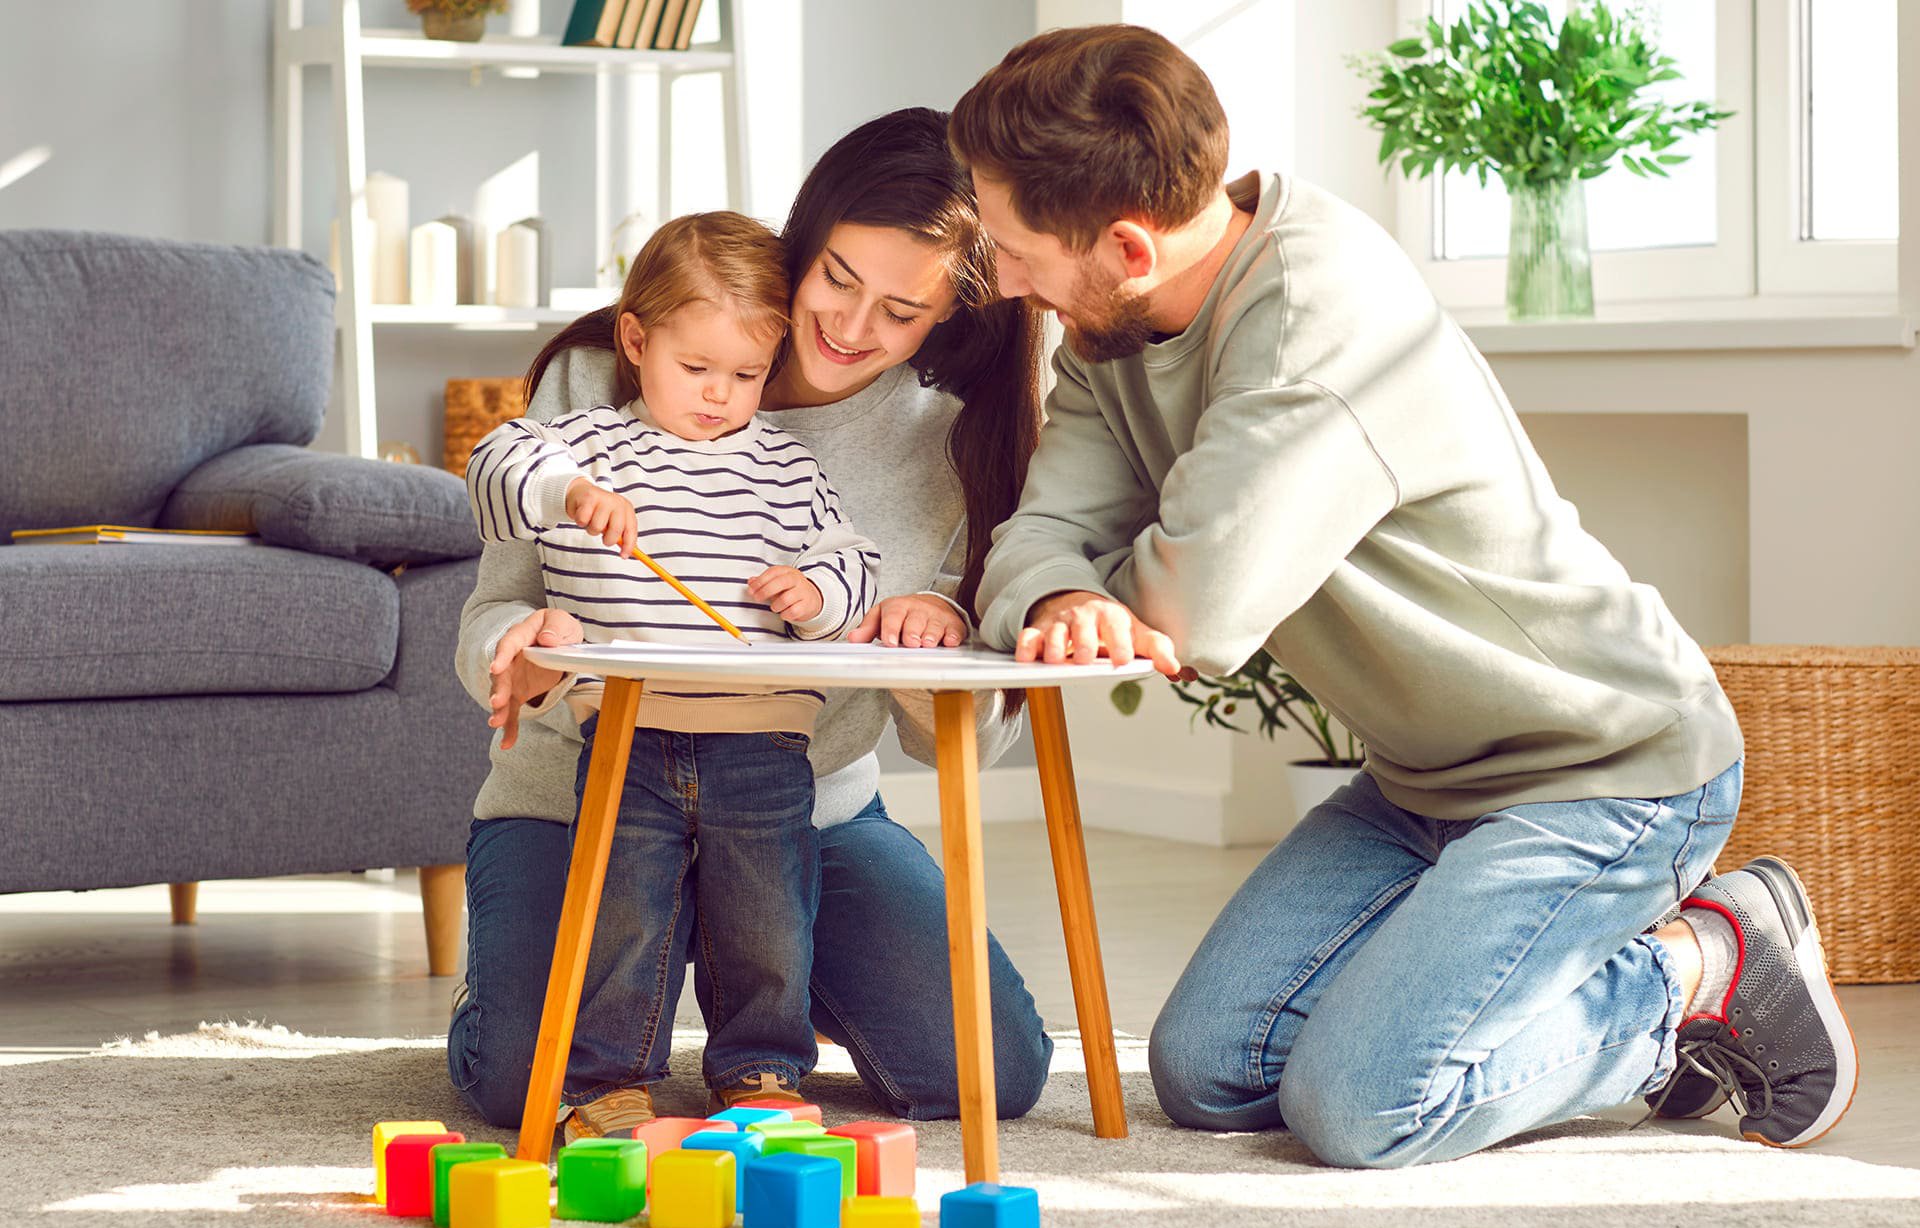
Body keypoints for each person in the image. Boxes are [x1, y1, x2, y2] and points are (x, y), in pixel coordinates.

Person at [953, 25, 1857, 1167]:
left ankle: (1695, 970)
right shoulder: (1107, 326)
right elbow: (1045, 531)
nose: (1004, 280)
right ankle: (1576, 983)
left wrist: (1093, 592)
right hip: (1424, 780)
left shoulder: (1314, 322)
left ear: (1129, 245)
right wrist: (1054, 602)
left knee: (1367, 1105)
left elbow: (1198, 610)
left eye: (1014, 248)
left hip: (1604, 764)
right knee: (1211, 1072)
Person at [448, 108, 1054, 1133]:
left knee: (991, 1068)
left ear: (948, 316)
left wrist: (921, 633)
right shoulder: (601, 381)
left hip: (797, 800)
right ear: (802, 241)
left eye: (902, 311)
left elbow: (972, 732)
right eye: (837, 278)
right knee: (523, 1078)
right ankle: (577, 970)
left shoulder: (950, 443)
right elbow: (495, 609)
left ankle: (765, 969)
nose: (853, 328)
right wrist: (524, 652)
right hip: (584, 786)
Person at [464, 211, 880, 1137]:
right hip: (627, 736)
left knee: (769, 918)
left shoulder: (787, 467)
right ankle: (608, 1080)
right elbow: (493, 462)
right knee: (623, 916)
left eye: (745, 375)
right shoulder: (582, 445)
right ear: (636, 341)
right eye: (696, 369)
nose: (719, 395)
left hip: (766, 741)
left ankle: (762, 1071)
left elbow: (857, 561)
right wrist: (567, 494)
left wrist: (816, 592)